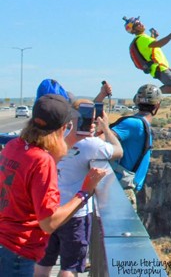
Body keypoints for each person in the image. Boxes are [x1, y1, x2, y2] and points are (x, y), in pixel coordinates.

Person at [0, 95, 109, 276]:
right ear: (62, 128)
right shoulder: (42, 161)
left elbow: (38, 161)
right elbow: (49, 223)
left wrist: (72, 139)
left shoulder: (14, 146)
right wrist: (84, 192)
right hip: (18, 252)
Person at [34, 94, 124, 277]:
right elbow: (118, 151)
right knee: (70, 266)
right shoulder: (91, 145)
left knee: (43, 263)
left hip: (49, 209)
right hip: (75, 214)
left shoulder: (55, 138)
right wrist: (106, 128)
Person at [110, 84, 160, 210]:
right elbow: (101, 140)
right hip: (121, 189)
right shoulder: (134, 124)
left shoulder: (139, 124)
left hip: (123, 186)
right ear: (157, 105)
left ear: (136, 102)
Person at [124, 16, 171, 94]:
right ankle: (147, 94)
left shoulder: (143, 38)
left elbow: (151, 49)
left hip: (159, 68)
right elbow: (159, 44)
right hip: (159, 68)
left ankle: (149, 94)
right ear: (134, 30)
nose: (141, 24)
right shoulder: (142, 39)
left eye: (140, 22)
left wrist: (153, 37)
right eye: (137, 24)